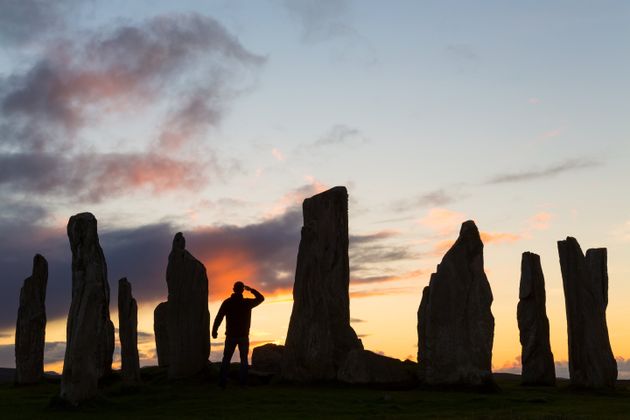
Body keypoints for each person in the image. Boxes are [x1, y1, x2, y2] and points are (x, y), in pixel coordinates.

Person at [212, 281, 264, 387]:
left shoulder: (227, 302)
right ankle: (243, 383)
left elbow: (219, 317)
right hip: (243, 336)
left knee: (226, 359)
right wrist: (251, 290)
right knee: (244, 359)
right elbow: (261, 298)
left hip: (230, 335)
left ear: (233, 289)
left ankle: (222, 382)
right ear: (242, 290)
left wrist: (214, 330)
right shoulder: (246, 303)